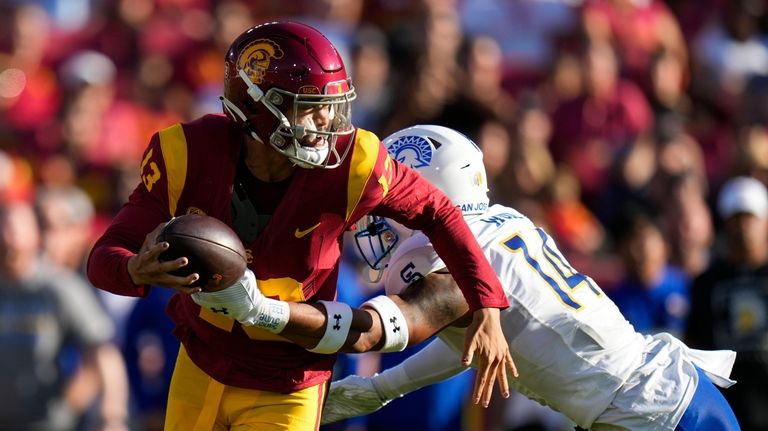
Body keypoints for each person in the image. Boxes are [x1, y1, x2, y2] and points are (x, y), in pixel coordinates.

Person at [86, 21, 513, 431]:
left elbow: (438, 211)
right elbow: (106, 255)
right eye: (309, 108)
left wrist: (486, 302)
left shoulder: (355, 162)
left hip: (290, 379)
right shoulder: (187, 154)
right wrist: (133, 269)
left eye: (331, 107)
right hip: (201, 363)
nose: (326, 124)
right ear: (255, 106)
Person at [205, 125, 742, 430]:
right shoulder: (501, 222)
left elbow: (383, 328)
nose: (379, 211)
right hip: (663, 400)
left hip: (653, 415)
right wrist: (378, 389)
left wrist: (261, 310)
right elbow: (475, 332)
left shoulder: (446, 258)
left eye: (391, 194)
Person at [0, 196, 129, 431]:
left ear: (35, 235)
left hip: (47, 423)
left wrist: (111, 416)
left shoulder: (57, 287)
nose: (6, 238)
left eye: (13, 229)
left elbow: (103, 351)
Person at [686, 176, 768, 431]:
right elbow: (695, 344)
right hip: (728, 412)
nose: (744, 227)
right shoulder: (706, 283)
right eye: (736, 218)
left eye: (750, 217)